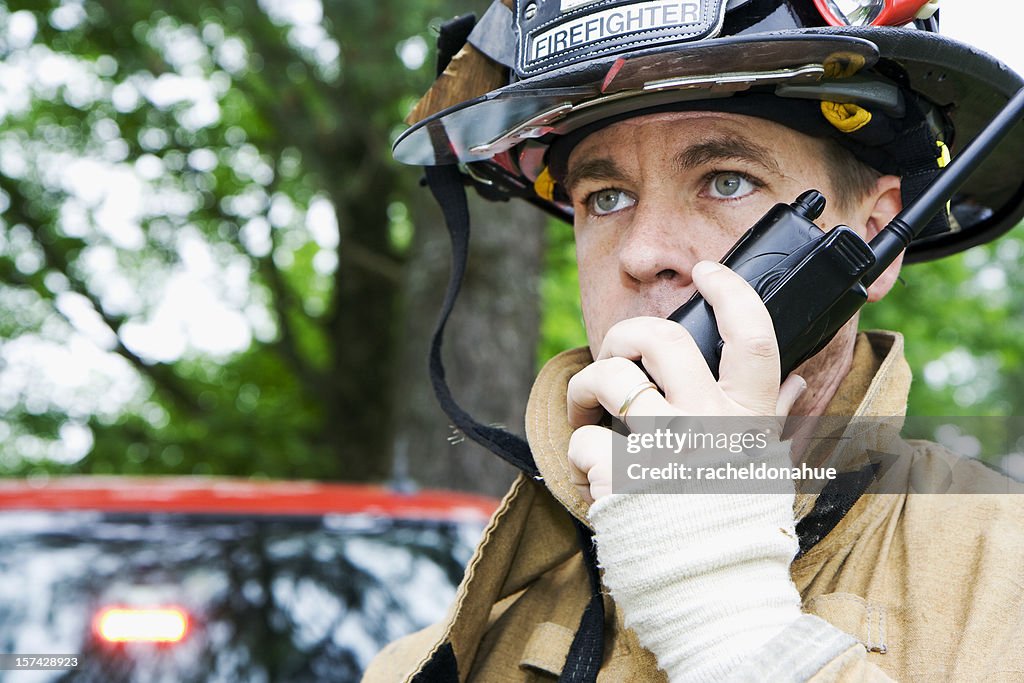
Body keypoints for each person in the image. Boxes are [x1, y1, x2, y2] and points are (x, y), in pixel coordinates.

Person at [366, 1, 1024, 680]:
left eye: (726, 180)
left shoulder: (1005, 579)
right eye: (605, 197)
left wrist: (732, 625)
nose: (644, 252)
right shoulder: (420, 663)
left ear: (874, 241)